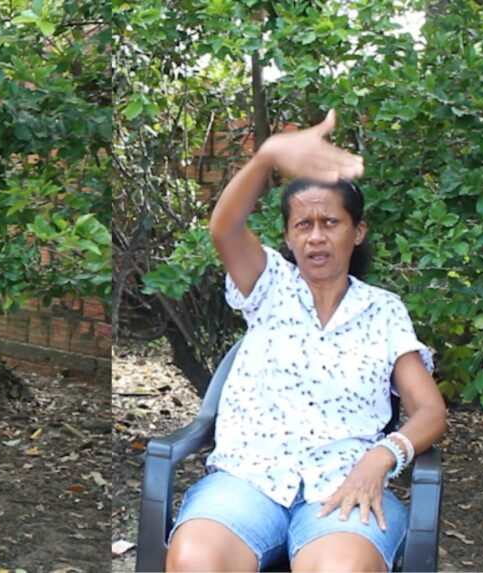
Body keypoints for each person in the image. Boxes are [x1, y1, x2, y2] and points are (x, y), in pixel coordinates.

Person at [165, 110, 448, 572]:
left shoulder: (384, 311)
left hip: (344, 486)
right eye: (303, 225)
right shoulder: (269, 287)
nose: (316, 237)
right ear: (288, 236)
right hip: (247, 481)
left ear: (357, 232)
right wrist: (267, 157)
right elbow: (225, 228)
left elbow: (430, 411)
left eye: (330, 222)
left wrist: (382, 457)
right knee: (196, 561)